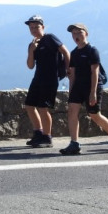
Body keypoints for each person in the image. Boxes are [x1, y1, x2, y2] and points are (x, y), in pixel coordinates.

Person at [59, 23, 108, 155]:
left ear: (86, 34)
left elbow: (95, 72)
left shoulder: (92, 50)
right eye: (73, 33)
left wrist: (93, 93)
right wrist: (71, 91)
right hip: (78, 86)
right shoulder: (74, 53)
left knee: (94, 115)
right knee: (72, 112)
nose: (76, 35)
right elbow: (72, 74)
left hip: (92, 86)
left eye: (79, 32)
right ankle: (74, 143)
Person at [23, 15, 71, 148]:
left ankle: (47, 137)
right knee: (29, 105)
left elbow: (66, 52)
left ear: (43, 27)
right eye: (31, 28)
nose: (34, 29)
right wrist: (32, 50)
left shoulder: (50, 38)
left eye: (36, 27)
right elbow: (30, 66)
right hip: (37, 78)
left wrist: (68, 70)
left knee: (43, 108)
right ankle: (38, 133)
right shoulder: (32, 45)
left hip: (50, 78)